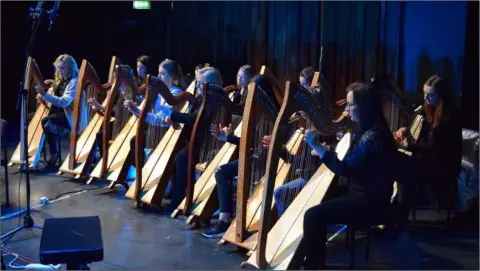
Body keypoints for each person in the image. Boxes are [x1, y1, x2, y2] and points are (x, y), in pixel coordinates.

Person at [298, 82, 398, 269]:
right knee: (314, 207)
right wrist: (327, 151)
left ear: (365, 106)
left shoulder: (373, 136)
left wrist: (317, 147)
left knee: (313, 216)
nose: (347, 109)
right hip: (364, 195)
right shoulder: (372, 130)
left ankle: (314, 266)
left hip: (369, 202)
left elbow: (344, 169)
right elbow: (356, 163)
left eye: (351, 105)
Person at [201, 74, 286, 238]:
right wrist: (225, 137)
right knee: (220, 171)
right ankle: (224, 219)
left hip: (268, 162)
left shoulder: (275, 116)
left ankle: (225, 220)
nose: (249, 98)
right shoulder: (257, 114)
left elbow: (278, 146)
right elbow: (249, 141)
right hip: (256, 158)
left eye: (252, 94)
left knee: (223, 171)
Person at [394, 75, 462, 226]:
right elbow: (419, 124)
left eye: (431, 95)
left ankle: (400, 218)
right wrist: (405, 129)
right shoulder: (429, 107)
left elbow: (434, 148)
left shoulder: (449, 116)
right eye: (425, 93)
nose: (426, 98)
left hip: (443, 164)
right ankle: (394, 213)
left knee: (405, 169)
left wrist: (407, 147)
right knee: (399, 164)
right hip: (428, 158)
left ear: (442, 95)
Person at [154, 66, 223, 212]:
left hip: (208, 143)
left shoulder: (214, 101)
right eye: (197, 82)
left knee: (182, 157)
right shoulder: (202, 98)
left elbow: (194, 119)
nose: (197, 85)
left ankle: (179, 198)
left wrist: (173, 115)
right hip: (198, 139)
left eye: (200, 83)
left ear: (210, 83)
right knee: (176, 157)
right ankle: (176, 195)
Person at [123, 59, 185, 170]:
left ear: (171, 76)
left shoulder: (176, 93)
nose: (159, 76)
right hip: (156, 130)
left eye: (163, 73)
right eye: (159, 73)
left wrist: (138, 110)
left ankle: (144, 170)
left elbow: (160, 119)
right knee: (134, 141)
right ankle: (144, 171)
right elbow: (150, 116)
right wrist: (135, 109)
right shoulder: (160, 92)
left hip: (167, 132)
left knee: (135, 141)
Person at [35, 54, 86, 168]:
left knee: (46, 122)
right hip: (59, 113)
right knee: (31, 117)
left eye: (62, 68)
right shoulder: (62, 81)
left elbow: (64, 102)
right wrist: (43, 98)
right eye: (58, 68)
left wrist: (44, 94)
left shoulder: (74, 82)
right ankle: (37, 151)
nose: (59, 70)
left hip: (71, 117)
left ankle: (54, 154)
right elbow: (55, 99)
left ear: (70, 68)